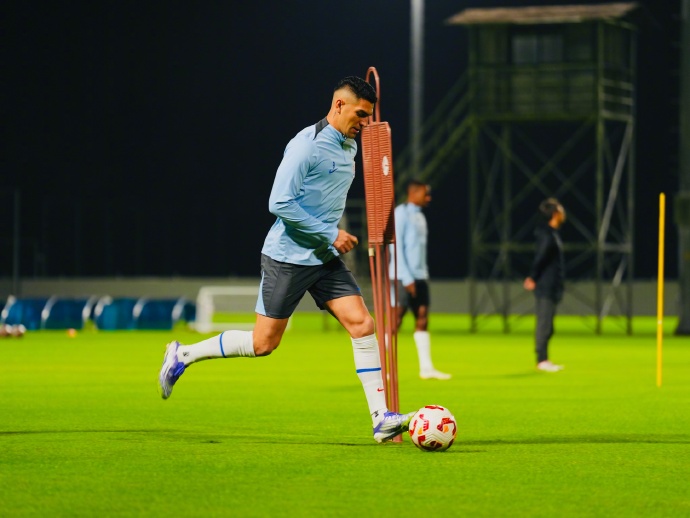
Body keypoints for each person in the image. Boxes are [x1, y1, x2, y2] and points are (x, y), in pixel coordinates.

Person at [158, 76, 416, 443]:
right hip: (288, 257)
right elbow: (278, 202)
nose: (365, 122)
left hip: (322, 257)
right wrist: (331, 233)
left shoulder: (349, 145)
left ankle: (381, 419)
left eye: (369, 116)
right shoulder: (306, 145)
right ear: (338, 105)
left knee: (362, 324)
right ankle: (183, 354)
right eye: (360, 114)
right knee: (263, 344)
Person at [390, 180, 451, 380]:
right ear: (413, 193)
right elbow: (395, 247)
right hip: (401, 276)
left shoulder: (420, 216)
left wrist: (421, 275)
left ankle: (426, 368)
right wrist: (407, 277)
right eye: (426, 194)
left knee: (423, 317)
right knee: (395, 319)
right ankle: (384, 368)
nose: (429, 198)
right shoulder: (400, 214)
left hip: (420, 276)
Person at [523, 197, 566, 372]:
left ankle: (545, 359)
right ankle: (541, 360)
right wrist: (533, 277)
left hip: (552, 284)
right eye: (560, 210)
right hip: (546, 285)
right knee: (544, 323)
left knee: (549, 325)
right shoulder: (547, 235)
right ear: (555, 214)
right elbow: (541, 258)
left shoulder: (552, 233)